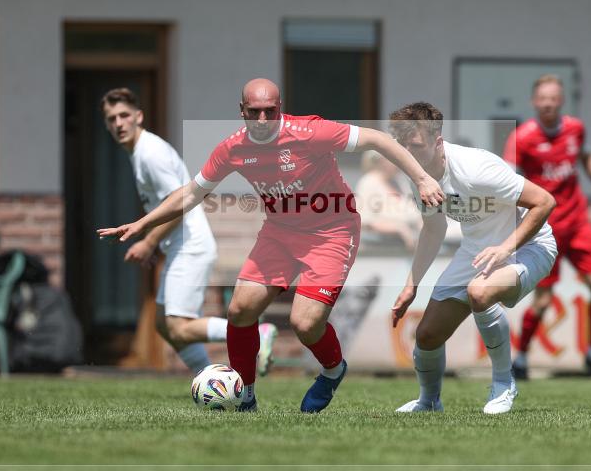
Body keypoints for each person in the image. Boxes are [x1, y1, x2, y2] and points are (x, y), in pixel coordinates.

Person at [98, 78, 444, 413]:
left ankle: (333, 369)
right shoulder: (233, 148)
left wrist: (422, 177)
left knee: (305, 325)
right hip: (280, 231)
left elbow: (377, 139)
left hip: (333, 231)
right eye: (254, 111)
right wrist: (142, 224)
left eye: (269, 111)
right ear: (242, 111)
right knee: (240, 310)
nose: (262, 119)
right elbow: (191, 192)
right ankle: (245, 395)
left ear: (280, 108)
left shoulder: (310, 132)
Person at [390, 102, 557, 415]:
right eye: (403, 147)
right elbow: (433, 228)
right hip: (477, 251)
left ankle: (504, 384)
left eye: (415, 146)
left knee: (479, 292)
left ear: (438, 140)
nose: (408, 155)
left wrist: (505, 248)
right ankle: (429, 402)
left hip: (529, 246)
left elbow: (545, 202)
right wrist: (412, 284)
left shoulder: (476, 169)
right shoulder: (419, 177)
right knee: (426, 335)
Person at [100, 88, 277, 375]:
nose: (118, 123)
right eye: (111, 119)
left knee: (179, 328)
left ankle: (257, 331)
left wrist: (148, 242)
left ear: (138, 116)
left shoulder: (150, 153)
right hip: (180, 246)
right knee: (163, 323)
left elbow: (180, 203)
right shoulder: (138, 152)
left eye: (123, 116)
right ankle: (211, 380)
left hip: (190, 246)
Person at [503, 75, 591, 382]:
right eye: (543, 98)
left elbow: (588, 160)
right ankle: (521, 359)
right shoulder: (522, 138)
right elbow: (507, 181)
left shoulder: (575, 129)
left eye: (553, 98)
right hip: (545, 228)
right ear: (533, 102)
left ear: (561, 101)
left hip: (578, 221)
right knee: (542, 301)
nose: (548, 104)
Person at [355, 150, 422, 250]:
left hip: (410, 247)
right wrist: (400, 229)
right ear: (381, 160)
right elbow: (365, 221)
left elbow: (416, 215)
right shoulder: (368, 183)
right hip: (381, 250)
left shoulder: (401, 183)